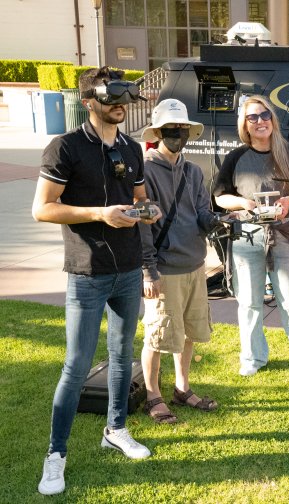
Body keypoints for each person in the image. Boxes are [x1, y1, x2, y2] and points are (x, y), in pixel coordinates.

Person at [32, 66, 161, 495]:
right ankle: (56, 454)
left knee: (123, 357)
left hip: (127, 270)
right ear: (90, 102)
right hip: (87, 273)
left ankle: (116, 429)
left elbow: (139, 198)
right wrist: (98, 214)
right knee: (76, 366)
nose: (121, 107)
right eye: (112, 100)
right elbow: (43, 209)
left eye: (125, 100)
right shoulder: (65, 147)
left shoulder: (131, 147)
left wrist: (148, 210)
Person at [213, 95, 289, 377]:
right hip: (247, 237)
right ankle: (252, 358)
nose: (260, 121)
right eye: (252, 117)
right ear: (244, 125)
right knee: (249, 302)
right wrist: (243, 204)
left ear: (273, 119)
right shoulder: (236, 157)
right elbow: (220, 197)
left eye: (264, 115)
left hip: (285, 236)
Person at [139, 99, 220, 424]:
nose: (177, 134)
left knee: (187, 332)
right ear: (158, 132)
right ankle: (152, 395)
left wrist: (215, 220)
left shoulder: (193, 171)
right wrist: (148, 271)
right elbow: (143, 225)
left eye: (182, 129)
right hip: (163, 269)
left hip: (195, 264)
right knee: (158, 334)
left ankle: (182, 388)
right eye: (171, 129)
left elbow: (201, 212)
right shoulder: (143, 171)